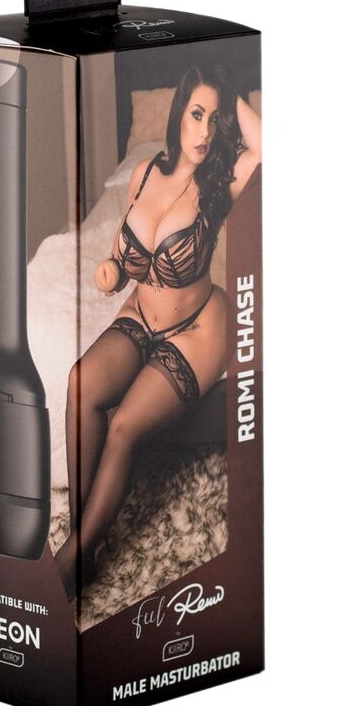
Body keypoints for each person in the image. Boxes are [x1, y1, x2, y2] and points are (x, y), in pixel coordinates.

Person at [54, 63, 262, 597]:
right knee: (80, 383)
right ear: (178, 114)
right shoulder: (145, 172)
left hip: (197, 327)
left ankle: (69, 561)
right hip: (140, 315)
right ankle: (85, 541)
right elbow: (122, 257)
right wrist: (110, 270)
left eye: (215, 119)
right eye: (196, 114)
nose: (204, 132)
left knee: (124, 425)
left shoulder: (219, 183)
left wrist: (228, 89)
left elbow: (265, 149)